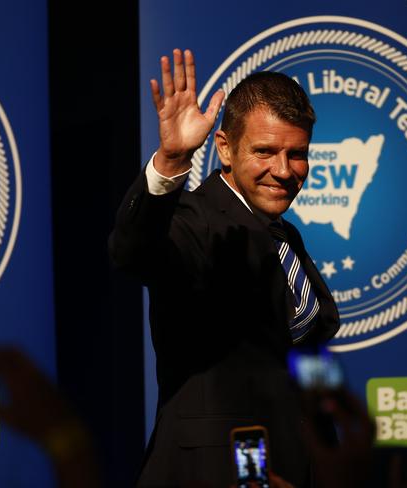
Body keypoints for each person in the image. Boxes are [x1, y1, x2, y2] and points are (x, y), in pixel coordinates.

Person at [109, 48, 340, 487]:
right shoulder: (195, 221)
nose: (284, 170)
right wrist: (173, 161)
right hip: (210, 472)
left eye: (298, 154)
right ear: (225, 148)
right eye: (265, 151)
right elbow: (132, 252)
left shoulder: (282, 234)